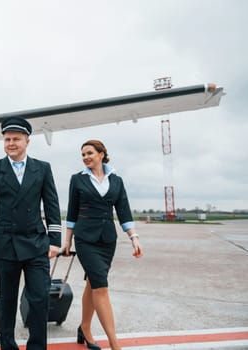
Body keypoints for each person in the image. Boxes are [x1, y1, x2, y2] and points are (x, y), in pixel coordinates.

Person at [0, 116, 62, 350]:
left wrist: (55, 241)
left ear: (27, 141)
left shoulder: (42, 169)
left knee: (40, 298)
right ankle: (8, 345)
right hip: (5, 244)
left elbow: (52, 205)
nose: (11, 143)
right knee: (7, 299)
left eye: (16, 139)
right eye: (7, 139)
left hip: (36, 243)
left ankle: (36, 346)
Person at [63, 140, 143, 350]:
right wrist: (67, 240)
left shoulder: (116, 180)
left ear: (101, 154)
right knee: (101, 286)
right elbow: (72, 213)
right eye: (83, 154)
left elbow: (124, 210)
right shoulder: (77, 179)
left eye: (89, 153)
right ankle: (114, 343)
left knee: (93, 282)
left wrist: (134, 237)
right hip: (85, 239)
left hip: (107, 240)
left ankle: (85, 327)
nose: (86, 157)